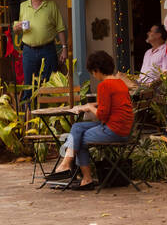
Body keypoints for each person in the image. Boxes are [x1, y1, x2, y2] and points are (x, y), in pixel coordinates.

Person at [47, 50, 134, 191]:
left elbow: (102, 116)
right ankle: (68, 164)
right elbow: (113, 106)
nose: (94, 76)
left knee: (78, 138)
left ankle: (82, 175)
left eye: (93, 72)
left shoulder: (104, 85)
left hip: (114, 130)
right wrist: (94, 106)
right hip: (124, 129)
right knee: (77, 128)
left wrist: (88, 106)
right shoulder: (120, 83)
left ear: (97, 70)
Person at [17, 0, 67, 105]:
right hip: (28, 50)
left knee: (49, 83)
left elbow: (60, 28)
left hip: (47, 49)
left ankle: (51, 118)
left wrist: (64, 48)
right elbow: (15, 28)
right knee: (29, 85)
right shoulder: (23, 6)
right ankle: (29, 120)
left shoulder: (51, 5)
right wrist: (17, 27)